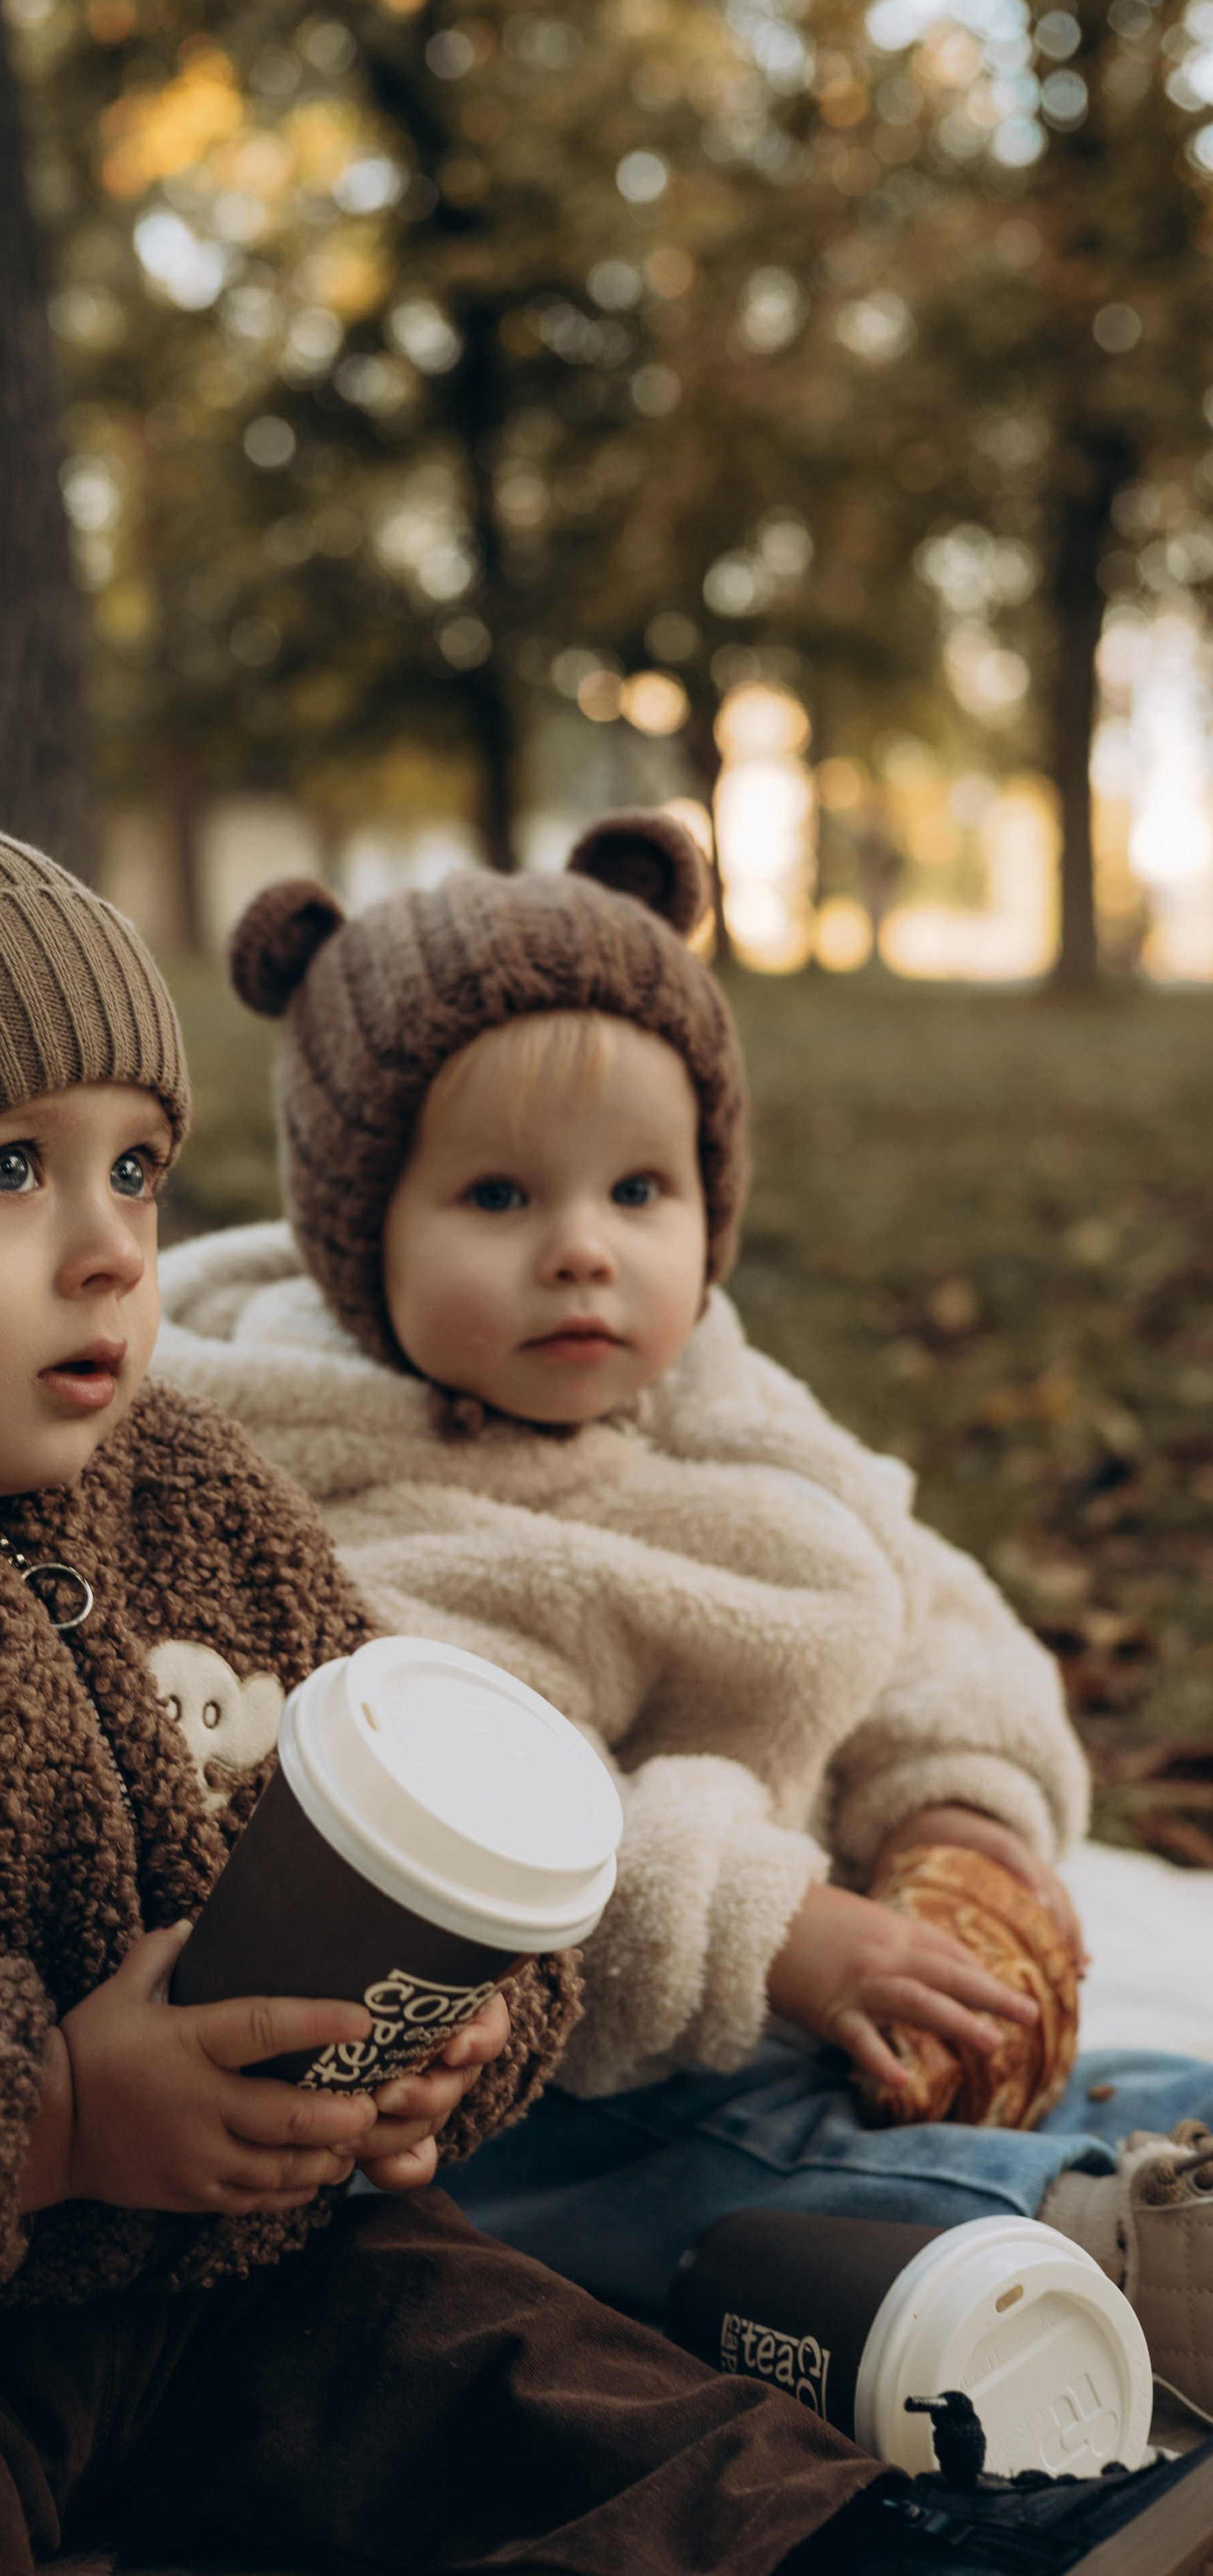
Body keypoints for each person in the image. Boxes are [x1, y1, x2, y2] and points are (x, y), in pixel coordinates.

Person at [0, 730, 1197, 2576]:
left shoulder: (190, 1497)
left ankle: (867, 2550)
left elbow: (406, 1787)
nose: (108, 1249)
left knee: (524, 2378)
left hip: (228, 2268)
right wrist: (45, 2116)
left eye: (134, 1168)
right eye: (6, 1168)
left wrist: (454, 2030)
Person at [153, 813, 1213, 2421]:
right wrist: (762, 1926)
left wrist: (955, 1807)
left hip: (810, 1979)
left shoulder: (718, 1391)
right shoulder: (335, 1482)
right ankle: (1069, 2248)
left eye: (638, 1189)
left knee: (1026, 2056)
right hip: (549, 2063)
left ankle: (1157, 2156)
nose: (582, 1249)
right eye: (497, 1195)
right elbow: (480, 1828)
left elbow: (915, 1590)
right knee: (694, 2171)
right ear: (355, 1230)